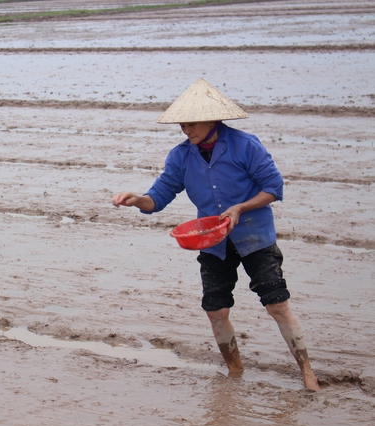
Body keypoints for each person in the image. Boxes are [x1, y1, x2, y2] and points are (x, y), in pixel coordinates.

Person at [111, 78, 321, 391]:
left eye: (192, 123)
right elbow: (158, 197)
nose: (186, 130)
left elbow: (273, 189)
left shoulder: (246, 145)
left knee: (277, 304)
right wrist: (136, 199)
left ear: (212, 120)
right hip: (212, 240)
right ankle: (235, 368)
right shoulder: (181, 156)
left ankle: (307, 371)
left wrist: (239, 208)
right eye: (182, 124)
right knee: (215, 309)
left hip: (254, 236)